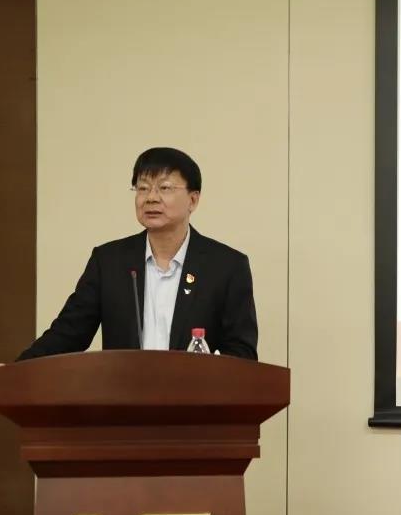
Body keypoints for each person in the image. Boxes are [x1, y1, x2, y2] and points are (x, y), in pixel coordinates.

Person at [15, 147, 258, 361]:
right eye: (142, 188)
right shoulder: (109, 262)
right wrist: (17, 370)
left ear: (192, 200)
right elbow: (68, 333)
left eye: (164, 188)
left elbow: (242, 352)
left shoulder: (226, 266)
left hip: (195, 398)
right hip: (125, 397)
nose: (151, 198)